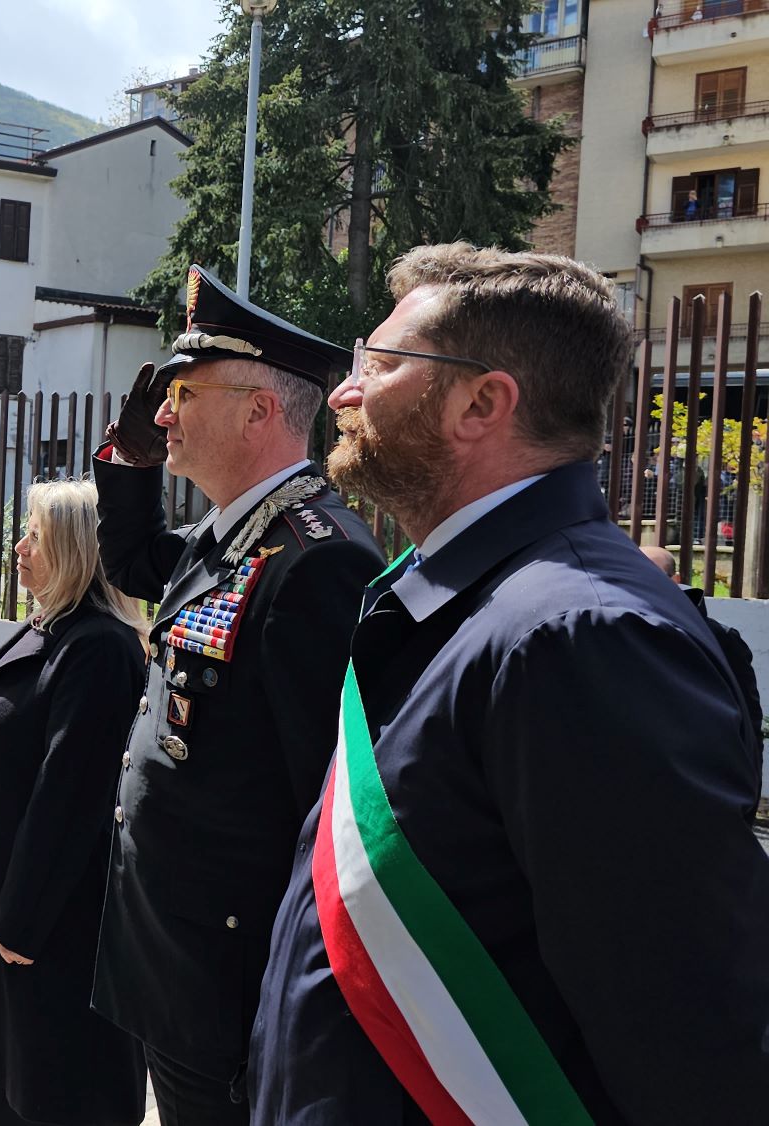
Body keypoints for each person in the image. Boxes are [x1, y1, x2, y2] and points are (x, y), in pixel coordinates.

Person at [250, 243, 769, 1124]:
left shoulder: (580, 635)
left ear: (481, 402)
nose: (342, 393)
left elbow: (691, 1038)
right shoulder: (469, 600)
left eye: (376, 366)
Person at [90, 265, 383, 1125]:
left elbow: (320, 815)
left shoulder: (315, 558)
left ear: (260, 409)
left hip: (231, 992)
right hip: (175, 969)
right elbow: (135, 560)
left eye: (185, 391)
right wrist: (131, 459)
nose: (166, 410)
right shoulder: (236, 535)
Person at [0, 479, 149, 1126]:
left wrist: (21, 924)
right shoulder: (51, 630)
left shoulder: (99, 648)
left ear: (76, 550)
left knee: (57, 1096)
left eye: (36, 538)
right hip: (20, 941)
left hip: (54, 940)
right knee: (16, 1090)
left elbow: (70, 794)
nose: (19, 548)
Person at [640, 543, 763, 741]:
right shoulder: (625, 630)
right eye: (635, 575)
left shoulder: (719, 637)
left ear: (675, 580)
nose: (643, 583)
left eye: (652, 575)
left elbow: (747, 715)